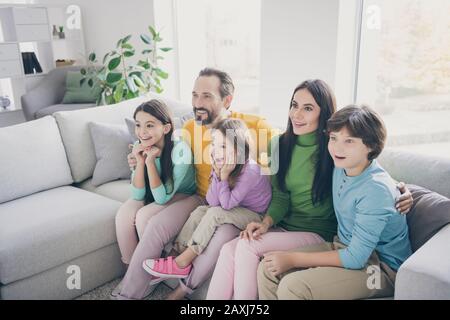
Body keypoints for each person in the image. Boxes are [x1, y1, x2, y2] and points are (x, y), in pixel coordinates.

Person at [206, 80, 413, 300]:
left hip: (365, 258)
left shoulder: (332, 152)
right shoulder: (313, 150)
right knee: (234, 252)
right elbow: (281, 194)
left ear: (323, 115)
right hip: (318, 237)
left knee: (255, 255)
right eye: (294, 105)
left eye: (308, 108)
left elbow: (373, 178)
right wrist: (266, 222)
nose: (297, 114)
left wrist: (401, 191)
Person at [118, 68, 275, 300]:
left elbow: (273, 176)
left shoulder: (256, 127)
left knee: (219, 233)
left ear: (227, 100)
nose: (197, 103)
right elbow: (168, 150)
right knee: (155, 225)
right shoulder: (190, 128)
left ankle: (183, 287)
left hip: (237, 204)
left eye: (207, 96)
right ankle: (127, 293)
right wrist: (139, 158)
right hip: (202, 197)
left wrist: (269, 219)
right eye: (194, 95)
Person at [257, 105, 412, 300]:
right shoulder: (341, 164)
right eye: (333, 138)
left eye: (349, 141)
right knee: (268, 267)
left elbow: (356, 258)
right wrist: (402, 188)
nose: (337, 147)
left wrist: (292, 258)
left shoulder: (376, 190)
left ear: (371, 146)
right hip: (344, 247)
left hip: (382, 270)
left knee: (294, 286)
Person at [142, 118, 272, 280]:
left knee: (214, 214)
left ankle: (182, 263)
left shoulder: (250, 171)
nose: (216, 151)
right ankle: (175, 254)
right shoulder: (221, 163)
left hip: (254, 214)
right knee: (200, 211)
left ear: (238, 151)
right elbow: (212, 201)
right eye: (214, 144)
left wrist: (223, 177)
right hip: (235, 206)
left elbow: (225, 205)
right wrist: (217, 175)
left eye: (223, 146)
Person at [111, 99, 196, 298]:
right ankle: (132, 274)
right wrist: (139, 162)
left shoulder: (180, 151)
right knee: (123, 215)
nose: (142, 132)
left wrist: (150, 161)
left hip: (182, 195)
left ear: (166, 128)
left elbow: (161, 197)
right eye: (138, 125)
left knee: (144, 216)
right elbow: (138, 194)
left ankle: (148, 275)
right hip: (157, 193)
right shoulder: (140, 146)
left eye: (150, 125)